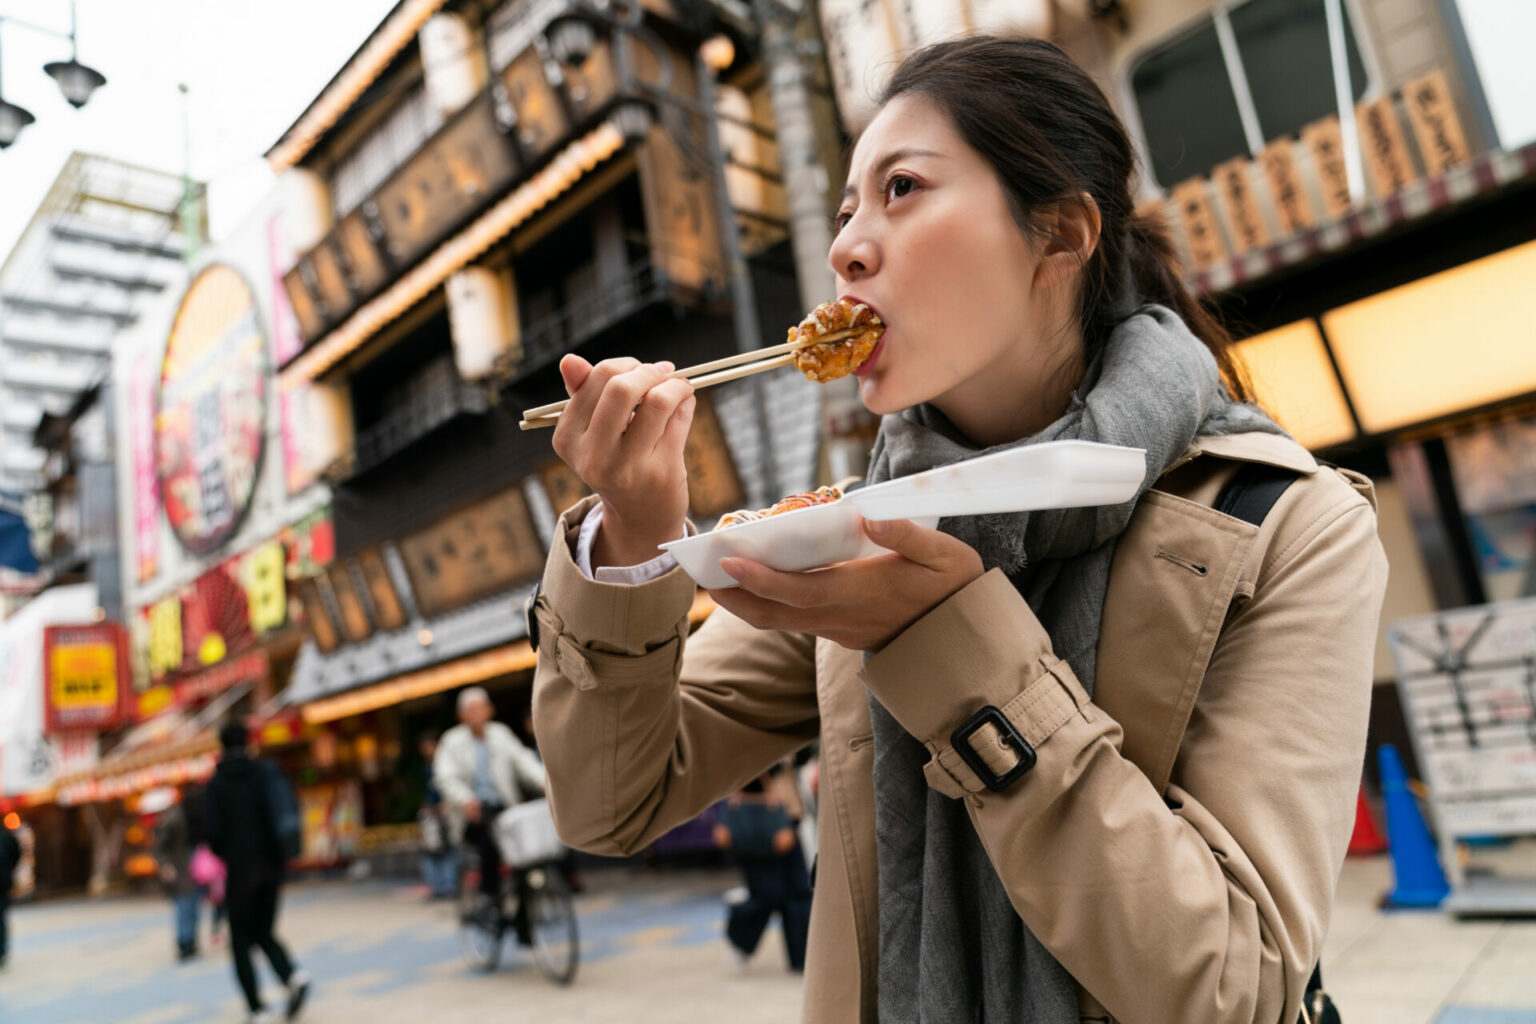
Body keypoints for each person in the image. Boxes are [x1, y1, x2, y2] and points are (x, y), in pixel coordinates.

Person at [529, 34, 1388, 1024]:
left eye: (901, 189)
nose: (848, 245)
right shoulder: (856, 533)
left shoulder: (1288, 527)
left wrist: (938, 637)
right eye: (847, 208)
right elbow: (611, 802)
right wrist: (632, 543)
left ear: (1060, 233)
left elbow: (1235, 988)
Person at [205, 722, 311, 1023]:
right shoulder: (265, 772)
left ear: (221, 747)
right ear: (249, 743)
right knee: (263, 931)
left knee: (240, 941)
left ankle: (256, 1009)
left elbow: (212, 834)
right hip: (271, 869)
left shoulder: (216, 785)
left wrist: (232, 853)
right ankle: (293, 976)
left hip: (240, 872)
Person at [432, 688, 545, 942]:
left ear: (489, 710)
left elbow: (523, 761)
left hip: (506, 808)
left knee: (526, 857)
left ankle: (524, 922)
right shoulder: (452, 741)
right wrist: (465, 800)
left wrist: (544, 782)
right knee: (487, 835)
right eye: (469, 709)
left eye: (480, 707)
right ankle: (488, 895)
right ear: (461, 715)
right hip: (472, 813)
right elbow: (445, 777)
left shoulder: (501, 735)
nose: (476, 714)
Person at [714, 763, 813, 973]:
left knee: (798, 893)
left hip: (787, 813)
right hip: (757, 820)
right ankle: (738, 936)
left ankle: (801, 959)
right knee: (767, 894)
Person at [145, 786, 200, 961]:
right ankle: (186, 942)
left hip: (183, 868)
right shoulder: (169, 819)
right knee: (186, 906)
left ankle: (188, 941)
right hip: (180, 869)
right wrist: (165, 866)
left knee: (188, 905)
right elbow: (160, 850)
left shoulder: (168, 819)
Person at [415, 732, 458, 899]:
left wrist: (446, 804)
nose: (428, 750)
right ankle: (436, 886)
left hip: (446, 812)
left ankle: (449, 885)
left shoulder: (447, 764)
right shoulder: (424, 768)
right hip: (430, 815)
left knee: (447, 849)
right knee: (430, 850)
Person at [0, 815, 19, 970]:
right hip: (4, 882)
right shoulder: (6, 836)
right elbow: (17, 854)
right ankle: (2, 951)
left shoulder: (6, 837)